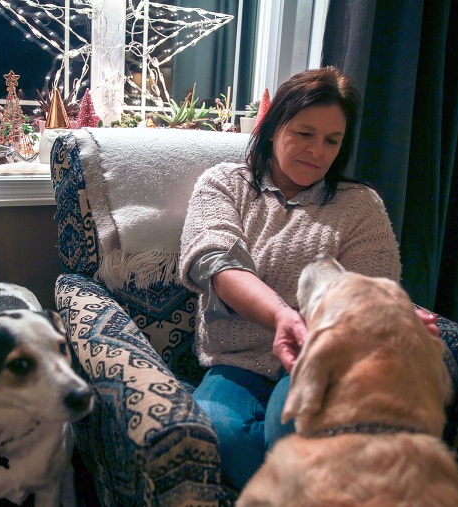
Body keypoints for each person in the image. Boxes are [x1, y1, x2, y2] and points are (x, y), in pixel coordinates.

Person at [178, 67, 438, 490]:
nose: (317, 151)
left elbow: (367, 289)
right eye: (304, 133)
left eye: (332, 140)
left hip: (320, 358)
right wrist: (282, 316)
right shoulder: (224, 184)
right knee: (221, 434)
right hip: (236, 361)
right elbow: (217, 263)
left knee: (299, 431)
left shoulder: (360, 206)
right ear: (273, 126)